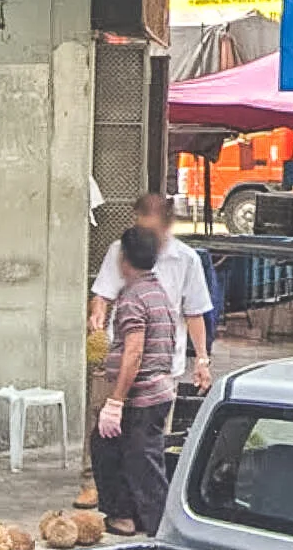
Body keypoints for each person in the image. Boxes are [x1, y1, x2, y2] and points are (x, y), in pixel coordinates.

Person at [77, 192, 214, 510]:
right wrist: (98, 313)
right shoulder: (121, 250)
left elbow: (194, 312)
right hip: (119, 357)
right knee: (102, 428)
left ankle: (143, 506)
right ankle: (93, 483)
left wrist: (202, 359)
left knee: (147, 443)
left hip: (160, 365)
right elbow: (103, 293)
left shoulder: (186, 260)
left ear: (167, 225)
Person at [91, 227, 178, 536]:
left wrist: (115, 401)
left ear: (123, 259)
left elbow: (134, 352)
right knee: (111, 448)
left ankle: (160, 527)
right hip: (157, 391)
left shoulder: (133, 298)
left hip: (142, 396)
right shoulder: (158, 293)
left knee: (143, 461)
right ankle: (128, 516)